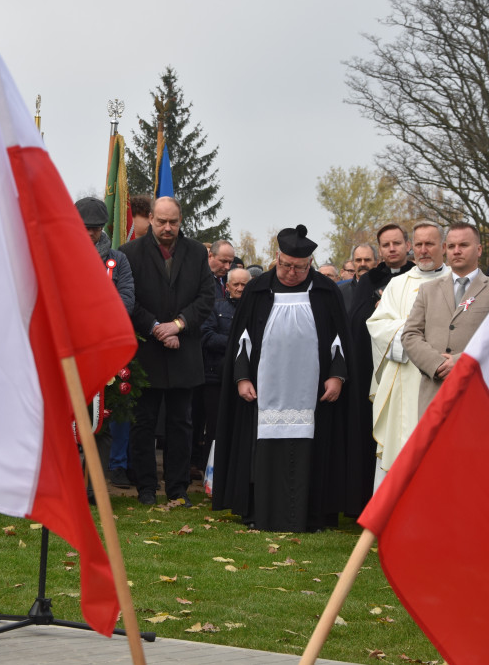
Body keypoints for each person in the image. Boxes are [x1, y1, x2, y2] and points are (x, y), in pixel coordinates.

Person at [212, 226, 349, 532]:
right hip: (265, 392)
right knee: (262, 450)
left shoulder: (327, 292)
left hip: (312, 392)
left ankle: (311, 516)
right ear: (277, 258)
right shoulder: (258, 289)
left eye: (299, 267)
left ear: (310, 263)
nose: (290, 273)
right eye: (285, 265)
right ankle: (259, 513)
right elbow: (242, 339)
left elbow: (340, 340)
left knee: (312, 451)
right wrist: (242, 378)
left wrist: (337, 376)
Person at [118, 196, 213, 506]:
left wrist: (179, 325)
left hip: (183, 352)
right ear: (151, 220)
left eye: (173, 221)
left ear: (181, 220)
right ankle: (146, 488)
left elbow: (205, 297)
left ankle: (177, 488)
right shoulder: (129, 253)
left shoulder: (197, 252)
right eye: (161, 221)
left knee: (181, 425)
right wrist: (158, 327)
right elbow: (130, 301)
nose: (167, 227)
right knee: (143, 424)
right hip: (147, 353)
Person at [366, 221, 447, 488]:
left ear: (443, 247)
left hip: (444, 379)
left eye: (430, 244)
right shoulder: (398, 285)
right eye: (420, 244)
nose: (424, 250)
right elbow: (377, 325)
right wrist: (415, 338)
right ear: (414, 247)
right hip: (405, 377)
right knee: (401, 445)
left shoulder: (455, 282)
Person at [342, 225, 414, 516]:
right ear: (380, 249)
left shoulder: (418, 276)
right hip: (370, 368)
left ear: (407, 245)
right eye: (386, 245)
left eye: (397, 243)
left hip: (408, 366)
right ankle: (364, 501)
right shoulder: (370, 280)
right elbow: (357, 320)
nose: (392, 249)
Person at [401, 222, 489, 413]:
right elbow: (410, 335)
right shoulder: (428, 290)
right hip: (435, 396)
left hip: (479, 396)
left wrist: (460, 362)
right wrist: (437, 364)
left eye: (463, 245)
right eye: (451, 246)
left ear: (479, 249)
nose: (456, 251)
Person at [76, 197, 135, 498]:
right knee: (67, 421)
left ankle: (93, 487)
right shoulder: (59, 255)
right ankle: (68, 486)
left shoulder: (118, 260)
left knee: (102, 420)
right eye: (85, 228)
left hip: (103, 351)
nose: (90, 234)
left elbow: (126, 299)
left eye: (96, 229)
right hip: (69, 351)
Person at [196, 267, 250, 476]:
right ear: (227, 287)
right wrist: (240, 343)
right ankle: (212, 474)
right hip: (215, 377)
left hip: (247, 378)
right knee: (215, 428)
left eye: (243, 284)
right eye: (235, 284)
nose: (239, 288)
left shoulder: (256, 310)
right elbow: (206, 336)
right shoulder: (214, 306)